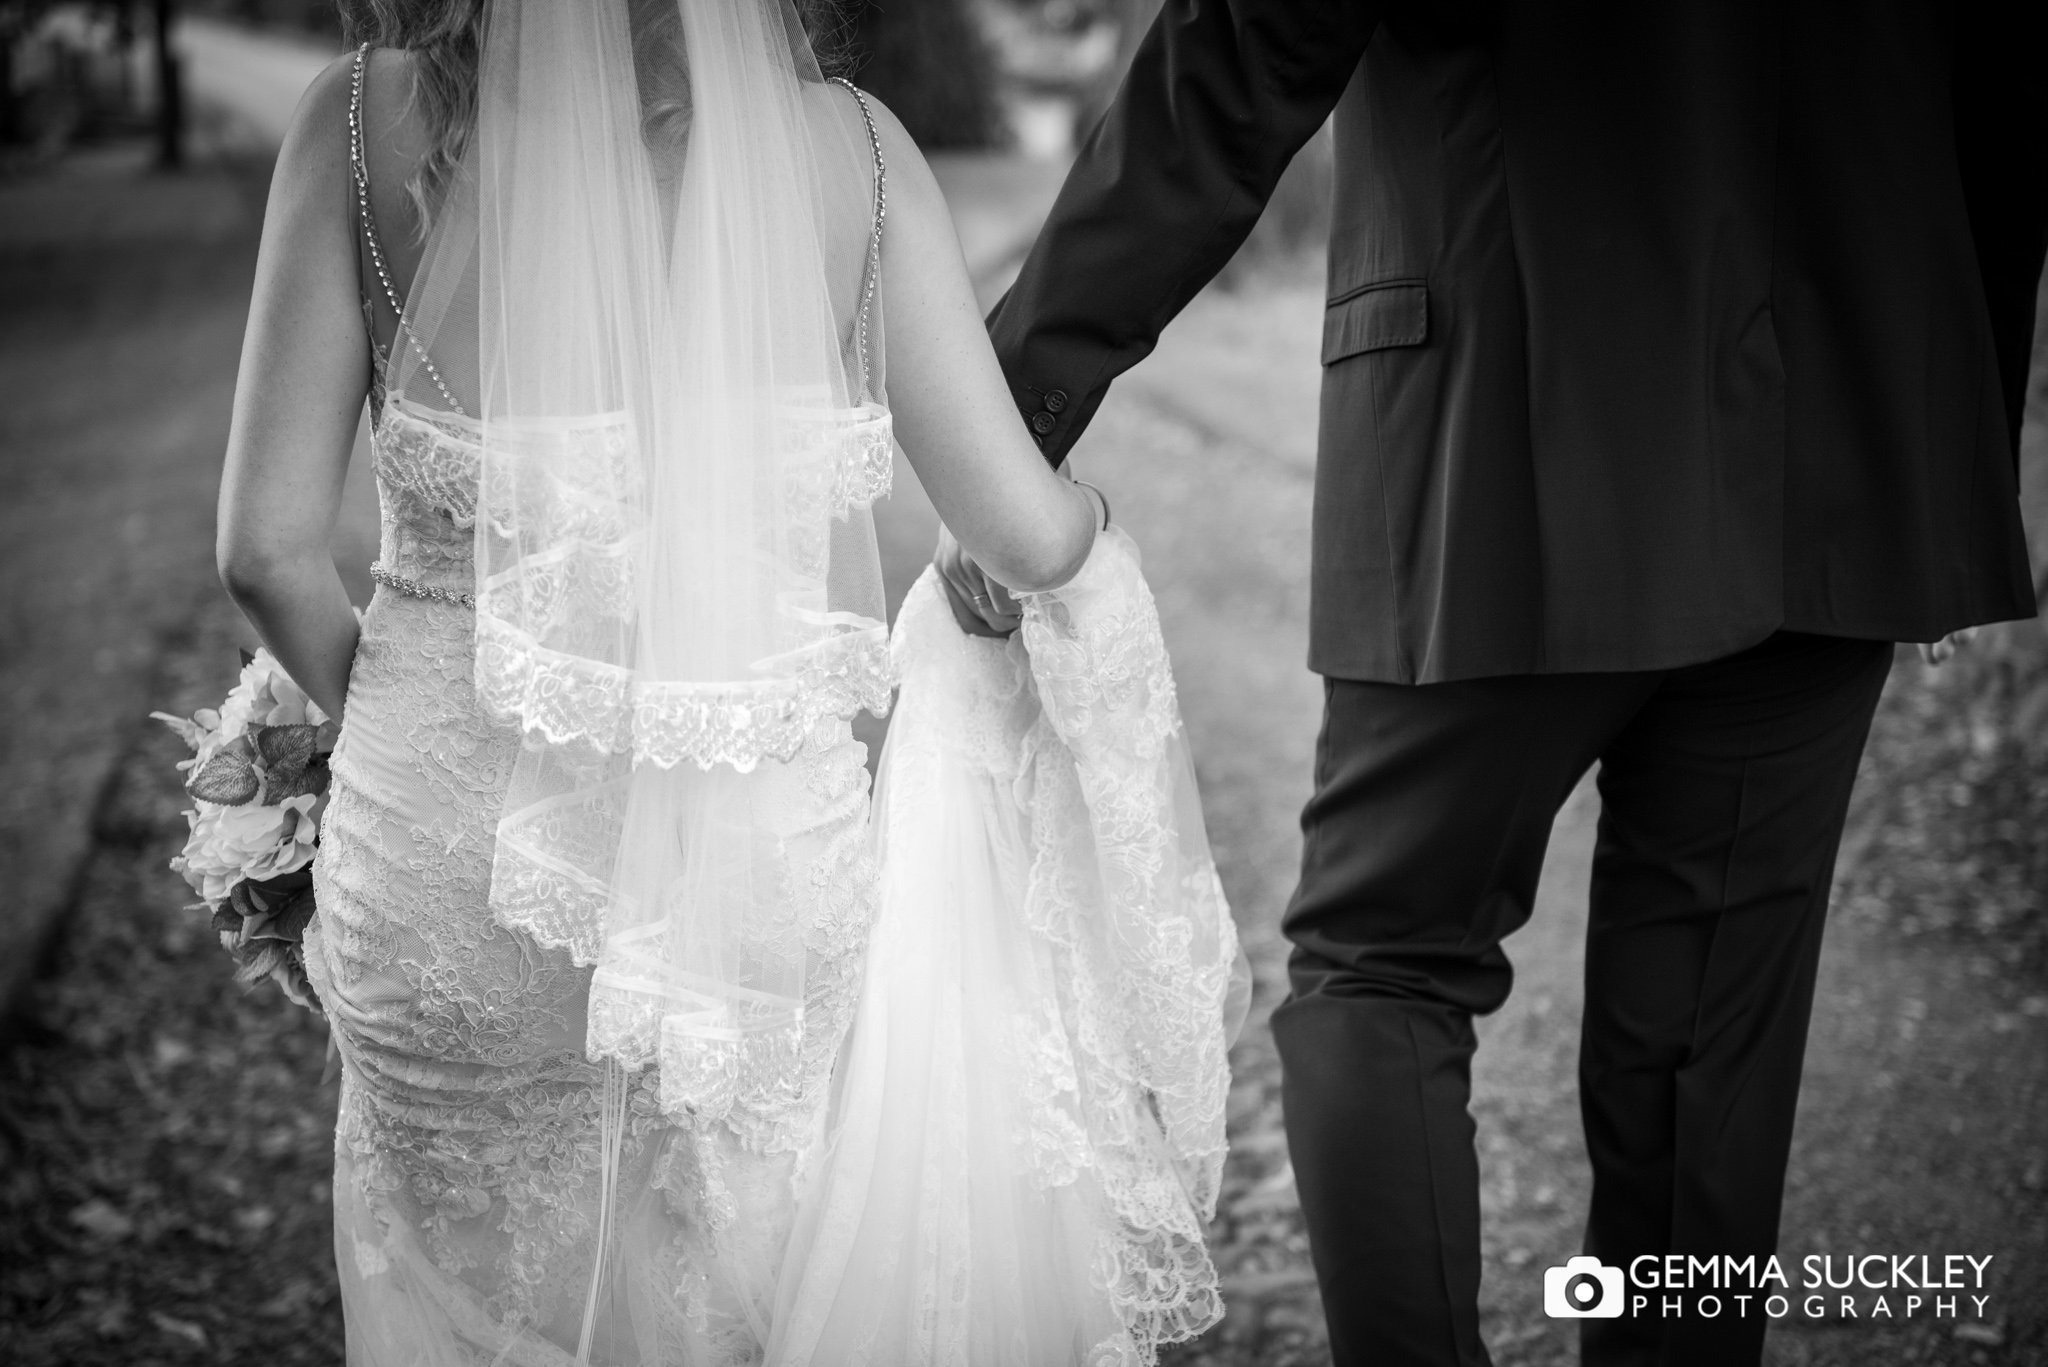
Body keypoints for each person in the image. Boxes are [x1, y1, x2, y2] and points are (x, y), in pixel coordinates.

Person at [938, 3, 2046, 1364]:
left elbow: (1239, 52)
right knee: (1709, 1042)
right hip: (1839, 438)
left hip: (1505, 414)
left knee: (1383, 966)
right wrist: (1945, 468)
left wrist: (1014, 412)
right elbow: (2005, 87)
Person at [214, 0, 1240, 1361]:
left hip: (443, 864)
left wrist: (389, 726)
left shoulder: (357, 124)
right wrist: (1086, 526)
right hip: (744, 888)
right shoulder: (851, 156)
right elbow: (1027, 535)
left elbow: (268, 553)